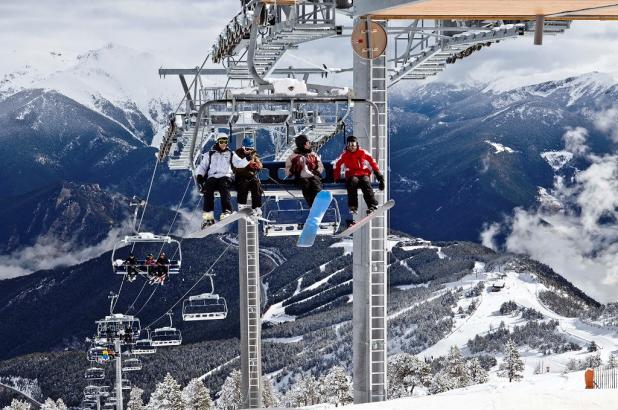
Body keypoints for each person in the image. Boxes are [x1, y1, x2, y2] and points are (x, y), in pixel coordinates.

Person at [196, 133, 250, 228]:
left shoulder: (231, 154)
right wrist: (200, 175)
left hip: (226, 176)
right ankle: (208, 218)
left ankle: (227, 211)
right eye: (221, 141)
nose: (223, 144)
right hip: (212, 176)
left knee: (223, 186)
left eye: (225, 141)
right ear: (217, 142)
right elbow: (203, 166)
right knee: (207, 189)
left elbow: (239, 164)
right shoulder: (210, 154)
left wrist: (247, 159)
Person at [334, 135, 385, 221]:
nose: (352, 147)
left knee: (366, 183)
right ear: (347, 145)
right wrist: (337, 178)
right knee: (352, 183)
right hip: (351, 174)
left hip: (363, 173)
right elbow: (337, 165)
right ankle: (353, 206)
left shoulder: (363, 152)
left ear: (357, 144)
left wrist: (380, 177)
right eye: (349, 145)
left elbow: (373, 163)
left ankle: (372, 205)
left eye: (353, 144)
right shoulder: (344, 155)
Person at [285, 134, 324, 206]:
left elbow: (320, 165)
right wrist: (292, 170)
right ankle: (313, 204)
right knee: (306, 184)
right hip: (300, 177)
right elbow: (287, 171)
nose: (310, 144)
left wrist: (317, 171)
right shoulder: (293, 157)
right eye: (308, 142)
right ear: (303, 144)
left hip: (312, 176)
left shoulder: (313, 155)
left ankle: (318, 202)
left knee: (315, 183)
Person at [234, 136, 263, 216]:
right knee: (243, 183)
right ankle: (241, 204)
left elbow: (260, 164)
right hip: (240, 176)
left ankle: (256, 206)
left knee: (256, 184)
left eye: (251, 149)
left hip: (251, 177)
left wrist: (257, 166)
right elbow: (236, 168)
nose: (249, 151)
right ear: (243, 147)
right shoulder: (237, 155)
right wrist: (247, 166)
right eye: (247, 149)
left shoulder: (254, 155)